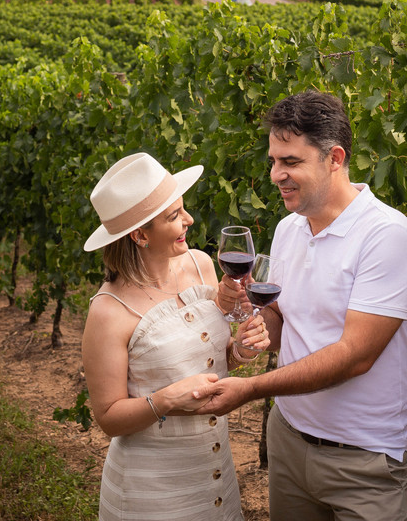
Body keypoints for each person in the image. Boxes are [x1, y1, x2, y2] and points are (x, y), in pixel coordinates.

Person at [203, 91, 407, 521]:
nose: (275, 174)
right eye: (273, 160)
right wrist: (248, 315)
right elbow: (284, 321)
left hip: (362, 459)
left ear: (335, 158)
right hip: (288, 440)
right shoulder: (289, 229)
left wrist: (250, 389)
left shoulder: (386, 235)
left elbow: (354, 356)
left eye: (290, 162)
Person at [81, 152, 268, 521]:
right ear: (139, 235)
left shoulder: (199, 264)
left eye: (183, 209)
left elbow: (206, 358)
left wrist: (240, 349)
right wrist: (165, 400)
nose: (189, 220)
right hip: (153, 492)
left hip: (216, 478)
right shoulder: (108, 312)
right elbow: (108, 418)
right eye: (173, 216)